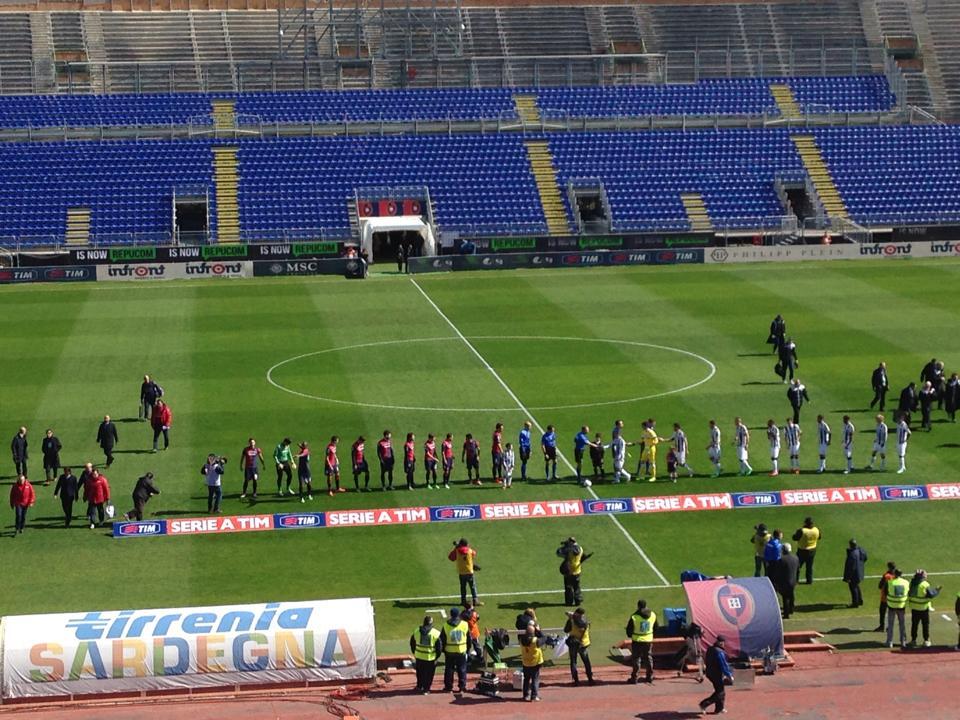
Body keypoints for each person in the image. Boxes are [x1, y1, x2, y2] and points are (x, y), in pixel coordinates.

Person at [699, 635, 734, 716]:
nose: (723, 644)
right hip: (716, 674)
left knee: (720, 690)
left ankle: (719, 708)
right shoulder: (719, 652)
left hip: (710, 672)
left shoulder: (710, 649)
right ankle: (704, 704)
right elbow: (723, 665)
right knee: (720, 692)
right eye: (722, 642)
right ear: (721, 643)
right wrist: (729, 675)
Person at [626, 599, 656, 684]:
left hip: (637, 641)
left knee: (636, 659)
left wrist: (631, 635)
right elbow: (656, 627)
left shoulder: (634, 617)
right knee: (648, 658)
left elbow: (629, 630)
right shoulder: (653, 615)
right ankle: (650, 676)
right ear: (646, 606)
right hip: (648, 640)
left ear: (638, 606)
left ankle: (634, 678)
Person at [908, 570, 941, 647]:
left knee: (914, 625)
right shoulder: (925, 584)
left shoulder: (912, 583)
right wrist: (937, 590)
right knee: (925, 625)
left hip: (914, 607)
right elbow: (931, 595)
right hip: (923, 608)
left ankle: (913, 640)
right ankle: (926, 640)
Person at [439, 607, 469, 694]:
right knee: (462, 669)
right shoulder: (464, 624)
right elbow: (469, 638)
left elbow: (442, 639)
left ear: (451, 614)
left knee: (449, 669)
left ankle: (448, 687)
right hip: (461, 650)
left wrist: (443, 650)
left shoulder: (446, 625)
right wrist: (468, 648)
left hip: (449, 651)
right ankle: (462, 687)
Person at [410, 615, 442, 694]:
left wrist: (415, 652)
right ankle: (426, 689)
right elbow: (439, 647)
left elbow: (412, 643)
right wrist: (436, 656)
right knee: (429, 675)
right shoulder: (435, 633)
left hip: (419, 656)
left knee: (420, 673)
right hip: (430, 658)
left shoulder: (417, 631)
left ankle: (419, 686)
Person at [558, 536, 592, 606]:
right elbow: (582, 556)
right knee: (576, 587)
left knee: (568, 587)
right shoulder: (580, 548)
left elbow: (558, 552)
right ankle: (578, 601)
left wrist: (565, 546)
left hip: (568, 571)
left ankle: (569, 602)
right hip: (577, 570)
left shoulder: (569, 550)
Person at [564, 607, 594, 685]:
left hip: (574, 643)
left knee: (573, 661)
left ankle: (576, 680)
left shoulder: (575, 620)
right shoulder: (584, 620)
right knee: (586, 662)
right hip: (583, 644)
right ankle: (590, 678)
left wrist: (571, 618)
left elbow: (566, 630)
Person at [449, 538, 480, 607]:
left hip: (461, 572)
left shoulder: (457, 550)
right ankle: (475, 600)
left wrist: (456, 548)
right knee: (472, 586)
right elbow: (474, 553)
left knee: (463, 587)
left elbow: (451, 558)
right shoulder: (469, 550)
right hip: (469, 571)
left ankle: (463, 601)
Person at [519, 621, 545, 701]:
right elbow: (544, 638)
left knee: (526, 679)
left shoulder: (522, 639)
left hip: (526, 662)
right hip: (535, 662)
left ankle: (525, 695)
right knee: (535, 679)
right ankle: (534, 696)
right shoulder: (535, 641)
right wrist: (539, 631)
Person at [885, 569, 910, 648]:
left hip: (891, 605)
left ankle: (889, 642)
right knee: (902, 624)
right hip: (901, 606)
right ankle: (903, 642)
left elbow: (886, 592)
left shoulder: (890, 582)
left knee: (890, 624)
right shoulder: (906, 582)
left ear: (894, 574)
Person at [794, 517, 820, 585]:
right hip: (812, 550)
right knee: (809, 566)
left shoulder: (802, 531)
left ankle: (796, 580)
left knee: (798, 566)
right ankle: (809, 580)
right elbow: (819, 537)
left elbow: (794, 538)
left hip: (802, 550)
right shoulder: (816, 529)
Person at [777, 543, 800, 619]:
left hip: (785, 581)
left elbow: (779, 572)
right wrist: (797, 580)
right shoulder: (795, 558)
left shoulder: (781, 560)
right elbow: (798, 570)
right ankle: (791, 609)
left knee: (785, 597)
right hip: (793, 580)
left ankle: (786, 614)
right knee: (791, 594)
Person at [843, 539, 868, 608]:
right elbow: (865, 558)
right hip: (859, 572)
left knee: (853, 588)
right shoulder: (860, 550)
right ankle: (860, 600)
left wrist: (848, 577)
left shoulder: (852, 555)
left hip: (854, 574)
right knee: (856, 586)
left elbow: (851, 568)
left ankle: (855, 603)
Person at [876, 561, 897, 632]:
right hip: (893, 598)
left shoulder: (886, 575)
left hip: (884, 598)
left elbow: (880, 586)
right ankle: (890, 627)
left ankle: (882, 626)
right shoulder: (897, 576)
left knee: (882, 612)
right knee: (891, 613)